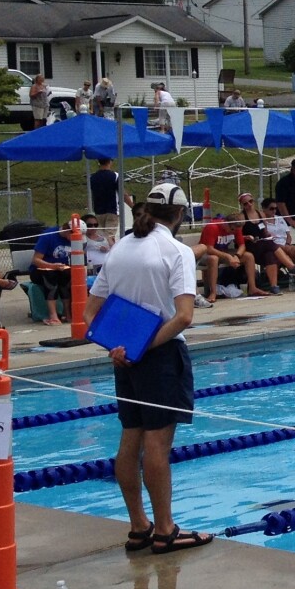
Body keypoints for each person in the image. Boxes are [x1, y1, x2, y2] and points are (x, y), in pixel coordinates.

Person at [83, 182, 211, 555]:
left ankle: (139, 526)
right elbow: (184, 317)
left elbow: (89, 315)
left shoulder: (120, 247)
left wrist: (118, 349)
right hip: (158, 356)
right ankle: (165, 530)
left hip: (124, 358)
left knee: (130, 439)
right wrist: (141, 348)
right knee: (157, 444)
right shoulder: (176, 250)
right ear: (180, 215)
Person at [199, 214, 266, 298]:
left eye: (236, 231)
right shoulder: (213, 227)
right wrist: (228, 256)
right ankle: (213, 292)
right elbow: (209, 249)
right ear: (226, 223)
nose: (233, 232)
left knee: (249, 256)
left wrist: (237, 256)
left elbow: (242, 245)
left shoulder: (236, 228)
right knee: (214, 259)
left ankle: (252, 287)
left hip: (223, 252)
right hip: (207, 253)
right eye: (232, 229)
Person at [28, 221, 73, 324]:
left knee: (66, 278)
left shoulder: (75, 241)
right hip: (41, 270)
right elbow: (36, 260)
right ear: (67, 231)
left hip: (61, 269)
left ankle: (67, 313)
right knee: (51, 277)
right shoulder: (48, 236)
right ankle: (53, 315)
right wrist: (52, 266)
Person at [89, 157, 129, 224]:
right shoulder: (115, 176)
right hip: (112, 210)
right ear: (110, 162)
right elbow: (123, 193)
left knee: (101, 233)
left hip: (98, 211)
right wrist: (133, 206)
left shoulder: (93, 177)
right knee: (110, 234)